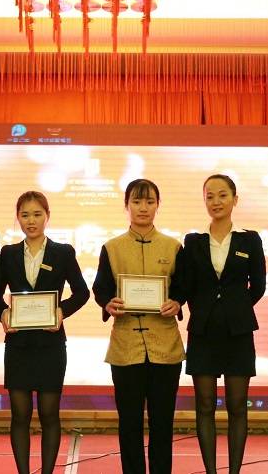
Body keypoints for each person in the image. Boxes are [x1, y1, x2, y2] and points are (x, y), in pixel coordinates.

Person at [0, 191, 89, 474]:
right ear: (18, 218)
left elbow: (82, 292)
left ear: (47, 216)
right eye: (25, 215)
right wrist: (3, 312)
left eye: (37, 214)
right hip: (18, 345)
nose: (31, 221)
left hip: (51, 344)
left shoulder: (63, 252)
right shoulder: (8, 254)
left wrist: (61, 311)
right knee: (20, 415)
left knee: (49, 414)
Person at [92, 178, 185, 474]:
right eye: (136, 201)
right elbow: (101, 288)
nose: (143, 208)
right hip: (126, 348)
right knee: (129, 423)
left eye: (149, 201)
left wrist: (177, 302)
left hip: (165, 347)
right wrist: (108, 303)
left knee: (163, 423)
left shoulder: (173, 246)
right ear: (126, 206)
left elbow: (183, 287)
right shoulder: (112, 247)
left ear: (158, 205)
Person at [180, 174, 266, 474]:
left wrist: (234, 309)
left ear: (234, 199)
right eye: (210, 196)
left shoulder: (249, 240)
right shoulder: (193, 241)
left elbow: (258, 286)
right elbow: (186, 285)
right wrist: (206, 310)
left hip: (238, 333)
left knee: (237, 405)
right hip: (202, 332)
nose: (216, 202)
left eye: (222, 195)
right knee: (204, 405)